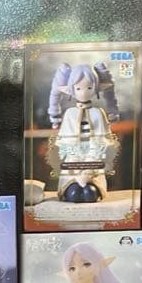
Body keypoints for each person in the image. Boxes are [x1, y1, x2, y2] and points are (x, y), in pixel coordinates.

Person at [47, 61, 120, 203]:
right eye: (78, 88)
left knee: (90, 193)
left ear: (96, 87)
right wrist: (77, 170)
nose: (83, 92)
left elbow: (101, 142)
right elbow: (66, 144)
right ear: (71, 89)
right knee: (73, 193)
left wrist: (88, 170)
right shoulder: (70, 114)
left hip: (94, 162)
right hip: (72, 163)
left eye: (89, 87)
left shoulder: (98, 113)